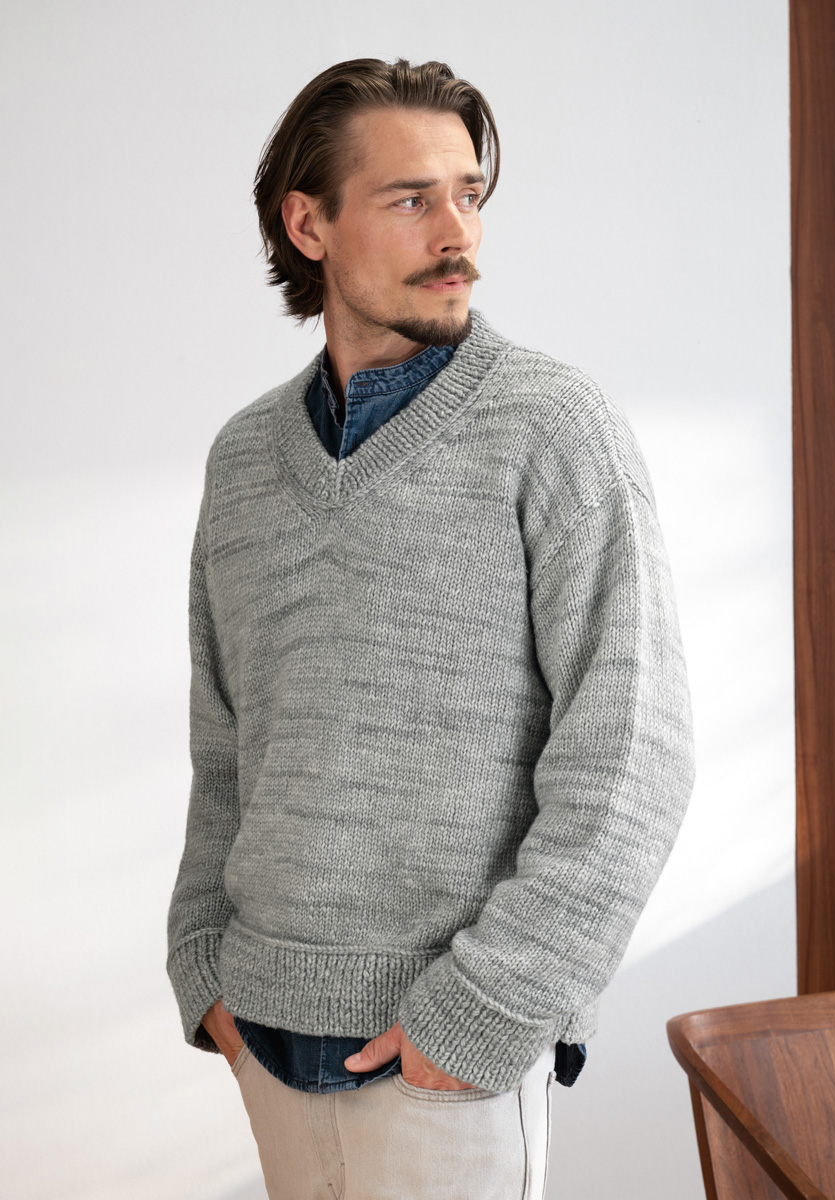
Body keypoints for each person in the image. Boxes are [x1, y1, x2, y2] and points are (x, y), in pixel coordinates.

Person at [166, 57, 695, 1199]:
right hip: (263, 1034)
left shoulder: (552, 427)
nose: (457, 233)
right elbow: (226, 751)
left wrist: (487, 1008)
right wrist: (203, 966)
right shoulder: (243, 461)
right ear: (307, 224)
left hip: (446, 1056)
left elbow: (632, 756)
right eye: (411, 198)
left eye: (467, 194)